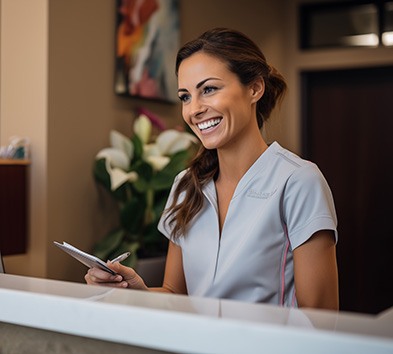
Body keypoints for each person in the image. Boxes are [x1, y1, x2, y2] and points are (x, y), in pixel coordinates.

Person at [86, 28, 339, 310]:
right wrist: (135, 291)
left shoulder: (298, 181)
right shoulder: (185, 186)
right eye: (185, 97)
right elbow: (176, 294)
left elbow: (320, 317)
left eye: (209, 89)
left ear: (254, 88)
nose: (194, 109)